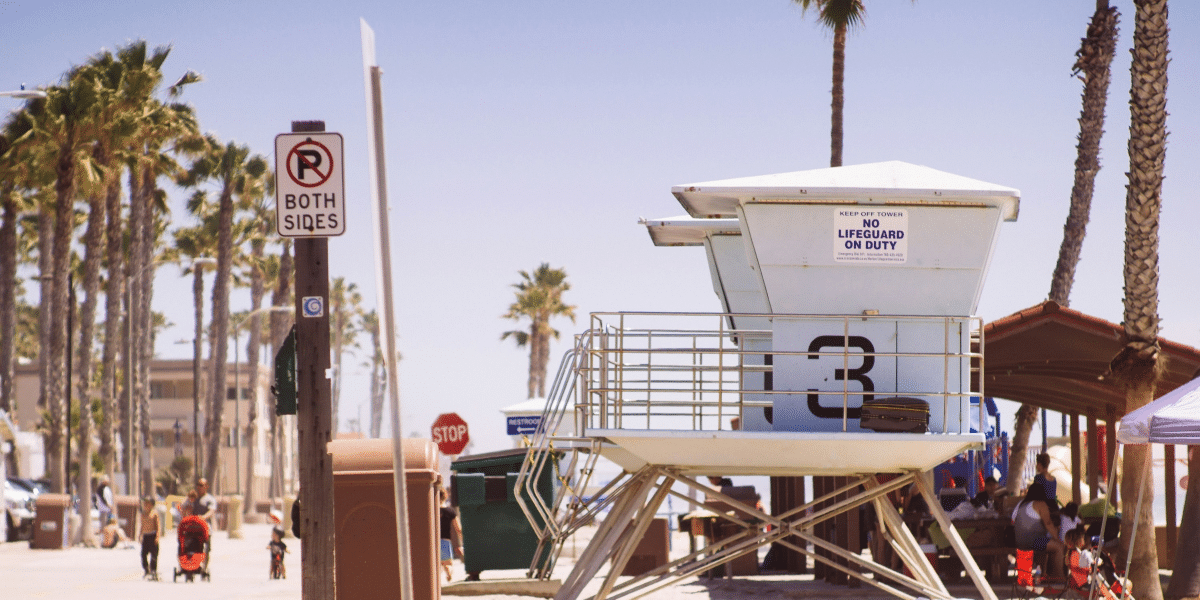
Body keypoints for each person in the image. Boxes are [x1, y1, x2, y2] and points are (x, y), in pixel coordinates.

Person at [1011, 483, 1065, 580]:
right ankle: (1059, 577)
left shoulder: (1021, 503)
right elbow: (1048, 524)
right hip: (1032, 541)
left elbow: (1012, 521)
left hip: (1018, 540)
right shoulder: (1040, 504)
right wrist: (1058, 539)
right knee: (1058, 547)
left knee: (1046, 544)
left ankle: (1044, 574)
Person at [438, 487, 463, 583]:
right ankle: (448, 575)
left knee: (436, 564)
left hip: (433, 541)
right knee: (448, 564)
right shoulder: (450, 511)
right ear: (445, 496)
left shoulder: (431, 511)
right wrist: (461, 543)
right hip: (445, 541)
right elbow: (458, 528)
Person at [192, 479, 216, 569]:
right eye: (198, 485)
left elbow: (211, 511)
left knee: (206, 548)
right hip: (194, 527)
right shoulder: (194, 498)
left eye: (201, 485)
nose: (199, 487)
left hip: (205, 527)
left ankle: (204, 567)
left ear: (206, 486)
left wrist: (203, 517)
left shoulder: (209, 499)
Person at [140, 497, 160, 579]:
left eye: (147, 503)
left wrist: (157, 537)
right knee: (143, 554)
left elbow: (158, 526)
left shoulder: (154, 513)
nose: (145, 504)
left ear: (151, 505)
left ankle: (153, 570)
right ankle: (146, 569)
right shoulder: (143, 513)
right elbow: (142, 525)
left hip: (153, 535)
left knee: (154, 554)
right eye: (145, 503)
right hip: (146, 536)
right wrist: (140, 535)